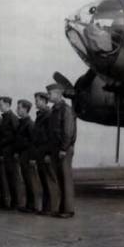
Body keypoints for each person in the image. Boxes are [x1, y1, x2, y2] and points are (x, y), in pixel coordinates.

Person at [46, 84, 77, 218]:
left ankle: (68, 210)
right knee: (60, 179)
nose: (48, 96)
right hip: (56, 149)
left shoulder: (66, 110)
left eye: (50, 93)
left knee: (66, 179)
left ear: (58, 94)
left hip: (63, 149)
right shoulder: (55, 110)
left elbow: (68, 131)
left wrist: (64, 148)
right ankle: (62, 208)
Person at [14, 99, 42, 213]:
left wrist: (32, 158)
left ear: (26, 109)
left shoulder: (29, 124)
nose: (17, 110)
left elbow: (34, 142)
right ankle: (29, 205)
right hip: (23, 155)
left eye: (19, 107)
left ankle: (34, 206)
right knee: (26, 180)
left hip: (28, 155)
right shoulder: (23, 123)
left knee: (31, 181)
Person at [33, 91, 60, 215]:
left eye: (37, 100)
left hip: (45, 153)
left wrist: (49, 153)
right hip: (40, 152)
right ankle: (46, 207)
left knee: (49, 181)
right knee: (44, 181)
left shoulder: (48, 116)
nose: (35, 103)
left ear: (44, 101)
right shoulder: (41, 115)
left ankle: (51, 207)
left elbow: (51, 137)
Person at [0, 96, 22, 209]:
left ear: (7, 105)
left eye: (1, 105)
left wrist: (16, 151)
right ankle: (11, 202)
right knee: (8, 177)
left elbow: (17, 136)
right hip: (6, 151)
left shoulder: (12, 118)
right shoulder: (5, 118)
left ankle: (16, 202)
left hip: (11, 152)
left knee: (13, 177)